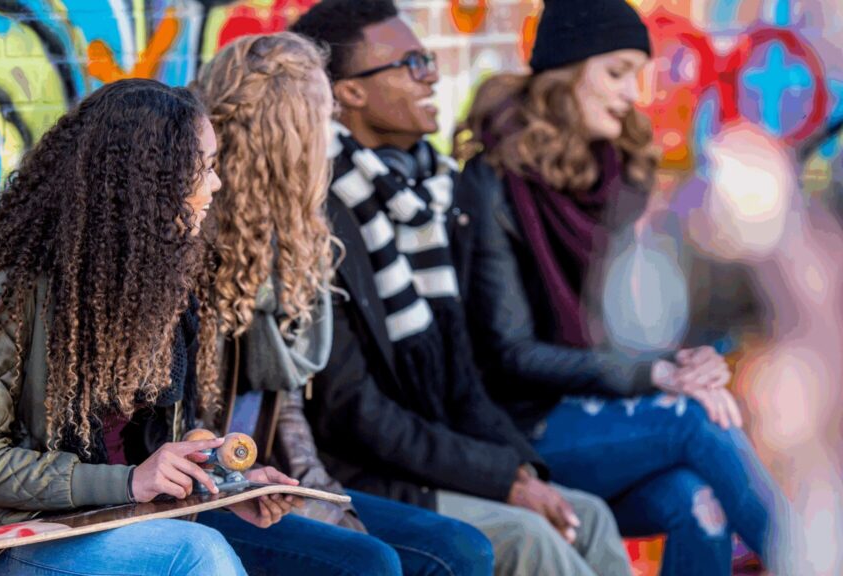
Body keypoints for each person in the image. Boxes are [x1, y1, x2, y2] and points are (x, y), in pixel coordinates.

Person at [290, 2, 633, 574]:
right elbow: (352, 410)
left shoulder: (433, 195)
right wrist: (500, 481)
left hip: (436, 455)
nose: (433, 75)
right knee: (531, 537)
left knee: (588, 514)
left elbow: (461, 374)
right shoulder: (322, 213)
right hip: (368, 474)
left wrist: (516, 471)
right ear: (348, 93)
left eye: (428, 60)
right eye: (412, 64)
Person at [453, 0, 784, 573]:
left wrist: (687, 361)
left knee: (695, 500)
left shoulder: (618, 175)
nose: (633, 92)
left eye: (638, 73)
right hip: (521, 429)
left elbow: (636, 328)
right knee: (696, 419)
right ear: (565, 71)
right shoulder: (492, 183)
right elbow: (510, 355)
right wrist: (656, 374)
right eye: (616, 71)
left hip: (608, 409)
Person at [0, 79, 296, 575]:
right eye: (206, 168)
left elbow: (155, 451)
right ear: (151, 178)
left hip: (136, 518)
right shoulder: (16, 287)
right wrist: (128, 483)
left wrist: (220, 477)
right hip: (30, 534)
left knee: (356, 561)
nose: (216, 185)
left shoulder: (164, 280)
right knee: (198, 555)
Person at [191, 31, 494, 576]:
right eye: (321, 119)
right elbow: (184, 421)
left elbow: (285, 405)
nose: (330, 138)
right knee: (372, 562)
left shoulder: (293, 236)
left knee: (461, 549)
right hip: (211, 489)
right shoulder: (201, 244)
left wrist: (320, 493)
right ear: (287, 133)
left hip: (277, 475)